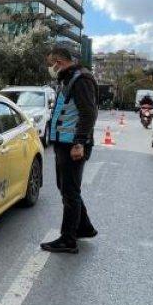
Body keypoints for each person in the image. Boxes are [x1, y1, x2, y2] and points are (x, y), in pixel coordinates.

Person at [41, 47, 99, 255]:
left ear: (60, 62)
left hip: (72, 145)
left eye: (51, 63)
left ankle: (68, 239)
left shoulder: (80, 79)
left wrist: (79, 142)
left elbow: (88, 113)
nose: (50, 68)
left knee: (70, 192)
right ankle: (84, 227)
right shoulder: (68, 79)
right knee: (65, 187)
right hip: (63, 143)